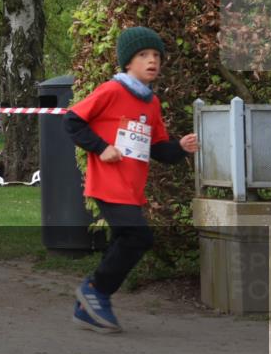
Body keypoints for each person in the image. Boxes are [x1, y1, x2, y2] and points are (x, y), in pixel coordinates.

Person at [64, 26, 199, 333]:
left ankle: (88, 306)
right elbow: (72, 121)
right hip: (108, 183)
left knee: (125, 241)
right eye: (143, 55)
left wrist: (180, 147)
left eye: (156, 56)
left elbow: (158, 149)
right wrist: (101, 148)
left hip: (131, 189)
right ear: (128, 62)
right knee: (139, 237)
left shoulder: (151, 103)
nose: (152, 60)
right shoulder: (112, 91)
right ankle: (95, 292)